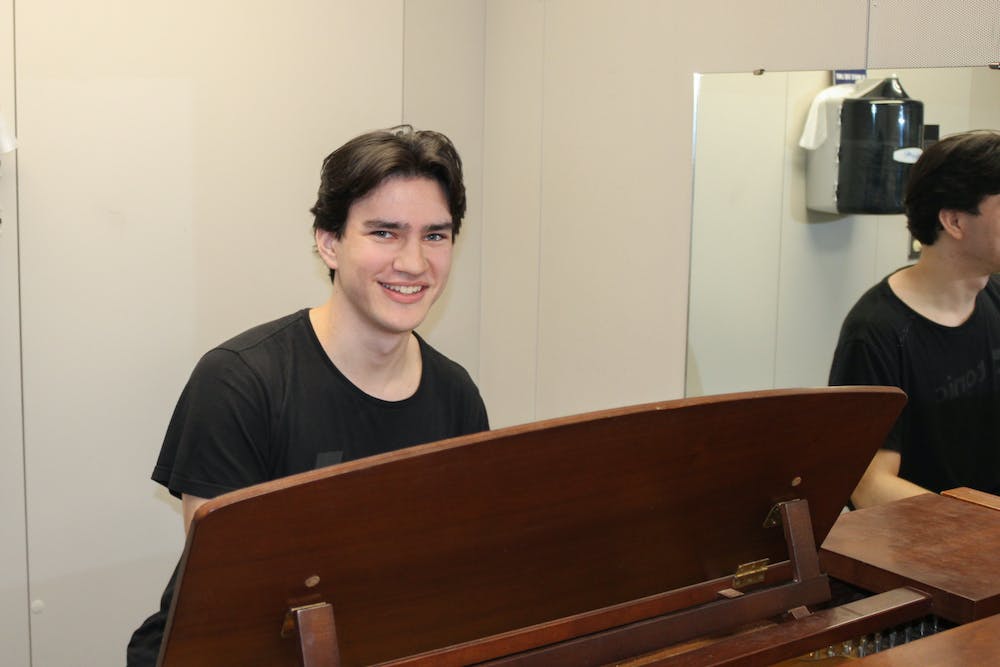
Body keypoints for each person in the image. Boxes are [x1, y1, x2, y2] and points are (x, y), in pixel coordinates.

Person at [127, 126, 489, 665]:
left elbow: (458, 579)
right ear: (329, 241)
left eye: (435, 235)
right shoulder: (240, 381)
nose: (414, 262)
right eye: (385, 233)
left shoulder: (456, 393)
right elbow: (232, 604)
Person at [829, 129, 1000, 509]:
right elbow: (870, 485)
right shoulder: (876, 332)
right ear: (954, 221)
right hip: (924, 556)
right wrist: (983, 525)